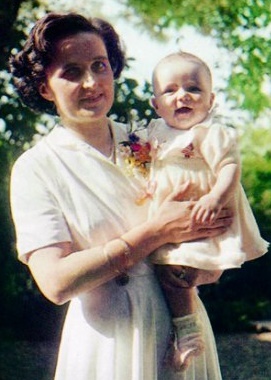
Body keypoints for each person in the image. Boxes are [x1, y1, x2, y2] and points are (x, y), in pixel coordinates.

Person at [9, 13, 233, 380]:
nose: (91, 82)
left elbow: (211, 253)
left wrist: (205, 260)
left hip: (183, 332)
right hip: (107, 342)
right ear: (44, 86)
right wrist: (156, 233)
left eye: (100, 66)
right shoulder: (37, 167)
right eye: (71, 72)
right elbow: (56, 283)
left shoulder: (151, 141)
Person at [148, 51, 269, 371]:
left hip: (203, 211)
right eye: (170, 90)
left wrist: (214, 198)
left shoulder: (210, 132)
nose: (182, 95)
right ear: (155, 104)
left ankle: (187, 334)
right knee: (171, 273)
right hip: (171, 214)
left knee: (176, 273)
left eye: (193, 89)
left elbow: (230, 168)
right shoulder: (155, 134)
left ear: (211, 100)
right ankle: (186, 328)